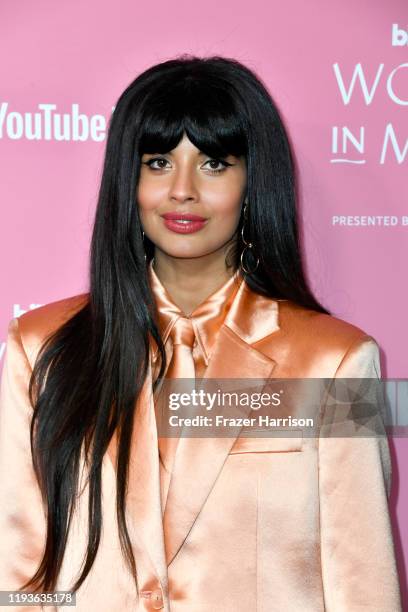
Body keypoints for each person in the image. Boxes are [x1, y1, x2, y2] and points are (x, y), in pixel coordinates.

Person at [0, 55, 402, 611]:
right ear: (128, 178)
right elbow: (17, 573)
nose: (183, 190)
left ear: (253, 180)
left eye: (214, 163)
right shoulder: (40, 348)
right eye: (159, 161)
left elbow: (365, 583)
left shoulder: (336, 361)